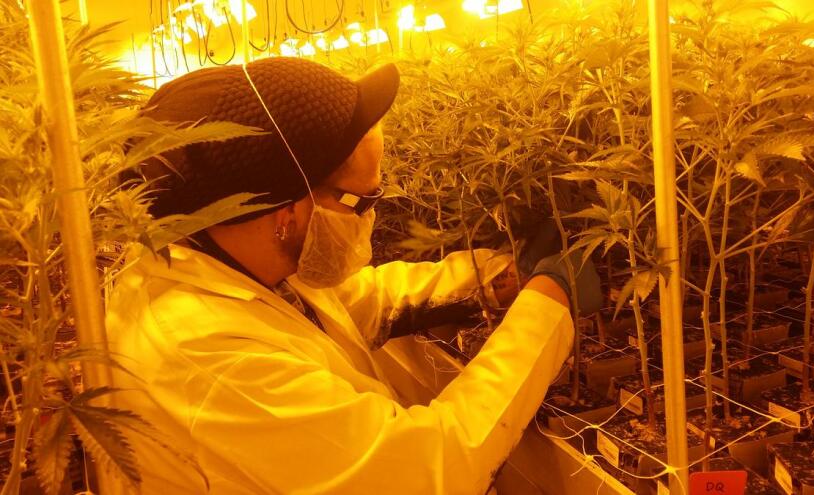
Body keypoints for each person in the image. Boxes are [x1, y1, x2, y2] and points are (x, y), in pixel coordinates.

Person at [106, 57, 601, 495]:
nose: (371, 216)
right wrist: (546, 305)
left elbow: (350, 301)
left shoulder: (226, 252)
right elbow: (434, 470)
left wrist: (489, 277)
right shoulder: (206, 358)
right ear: (287, 214)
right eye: (363, 201)